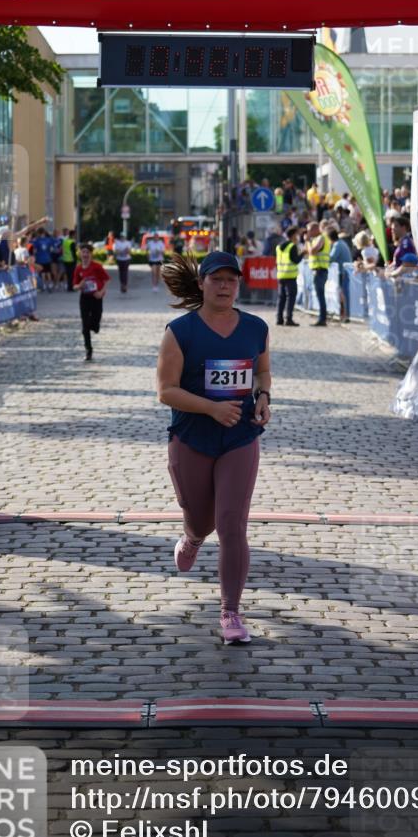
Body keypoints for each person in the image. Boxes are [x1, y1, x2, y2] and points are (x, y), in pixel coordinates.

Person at [156, 251, 271, 645]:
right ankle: (192, 537)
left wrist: (263, 397)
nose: (224, 286)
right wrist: (211, 408)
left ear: (239, 284)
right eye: (216, 279)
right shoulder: (180, 331)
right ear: (202, 283)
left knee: (232, 524)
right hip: (192, 437)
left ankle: (230, 612)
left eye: (231, 280)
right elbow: (165, 391)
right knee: (203, 521)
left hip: (240, 437)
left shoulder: (255, 327)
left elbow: (262, 370)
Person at [72, 243, 110, 361]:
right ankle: (88, 350)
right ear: (80, 254)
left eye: (87, 252)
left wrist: (101, 292)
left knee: (95, 321)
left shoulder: (97, 266)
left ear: (91, 254)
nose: (85, 254)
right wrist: (80, 286)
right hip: (84, 298)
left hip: (96, 297)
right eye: (83, 252)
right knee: (85, 327)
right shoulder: (78, 268)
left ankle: (95, 326)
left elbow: (106, 280)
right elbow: (74, 286)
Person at [276, 224, 303, 326]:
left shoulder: (279, 247)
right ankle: (289, 319)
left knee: (281, 298)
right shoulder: (292, 246)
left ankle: (279, 319)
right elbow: (296, 260)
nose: (298, 237)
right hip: (290, 276)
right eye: (297, 234)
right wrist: (303, 253)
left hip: (281, 275)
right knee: (290, 298)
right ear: (294, 235)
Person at [305, 221, 331, 326]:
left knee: (321, 296)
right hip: (318, 270)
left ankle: (322, 319)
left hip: (320, 271)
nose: (308, 233)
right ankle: (322, 318)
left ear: (315, 229)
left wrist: (307, 241)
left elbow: (312, 251)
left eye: (309, 230)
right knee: (320, 295)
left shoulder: (321, 238)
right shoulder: (316, 239)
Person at [327, 226, 353, 322]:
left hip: (342, 272)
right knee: (343, 293)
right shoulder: (342, 243)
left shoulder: (337, 245)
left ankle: (345, 315)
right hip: (344, 272)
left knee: (342, 294)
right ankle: (344, 314)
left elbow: (331, 258)